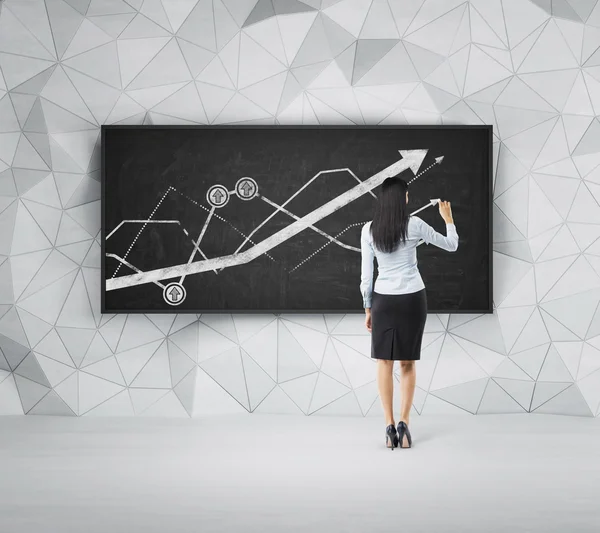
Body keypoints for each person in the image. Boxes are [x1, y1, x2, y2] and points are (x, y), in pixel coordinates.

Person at [360, 176, 458, 450]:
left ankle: (389, 426)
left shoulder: (369, 230)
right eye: (406, 195)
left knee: (383, 362)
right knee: (407, 363)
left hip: (383, 301)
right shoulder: (414, 224)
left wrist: (368, 308)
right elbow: (451, 245)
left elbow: (366, 276)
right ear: (402, 198)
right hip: (413, 299)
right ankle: (404, 425)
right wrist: (447, 218)